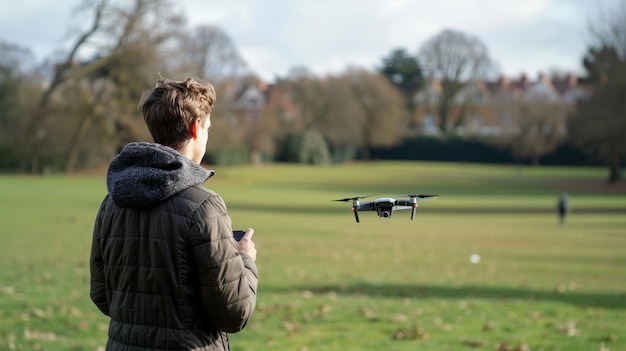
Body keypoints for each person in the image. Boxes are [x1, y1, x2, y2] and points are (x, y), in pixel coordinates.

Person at [89, 75, 258, 351]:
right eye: (208, 128)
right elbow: (234, 313)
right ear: (195, 127)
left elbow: (102, 296)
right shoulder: (204, 206)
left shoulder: (112, 202)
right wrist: (245, 260)